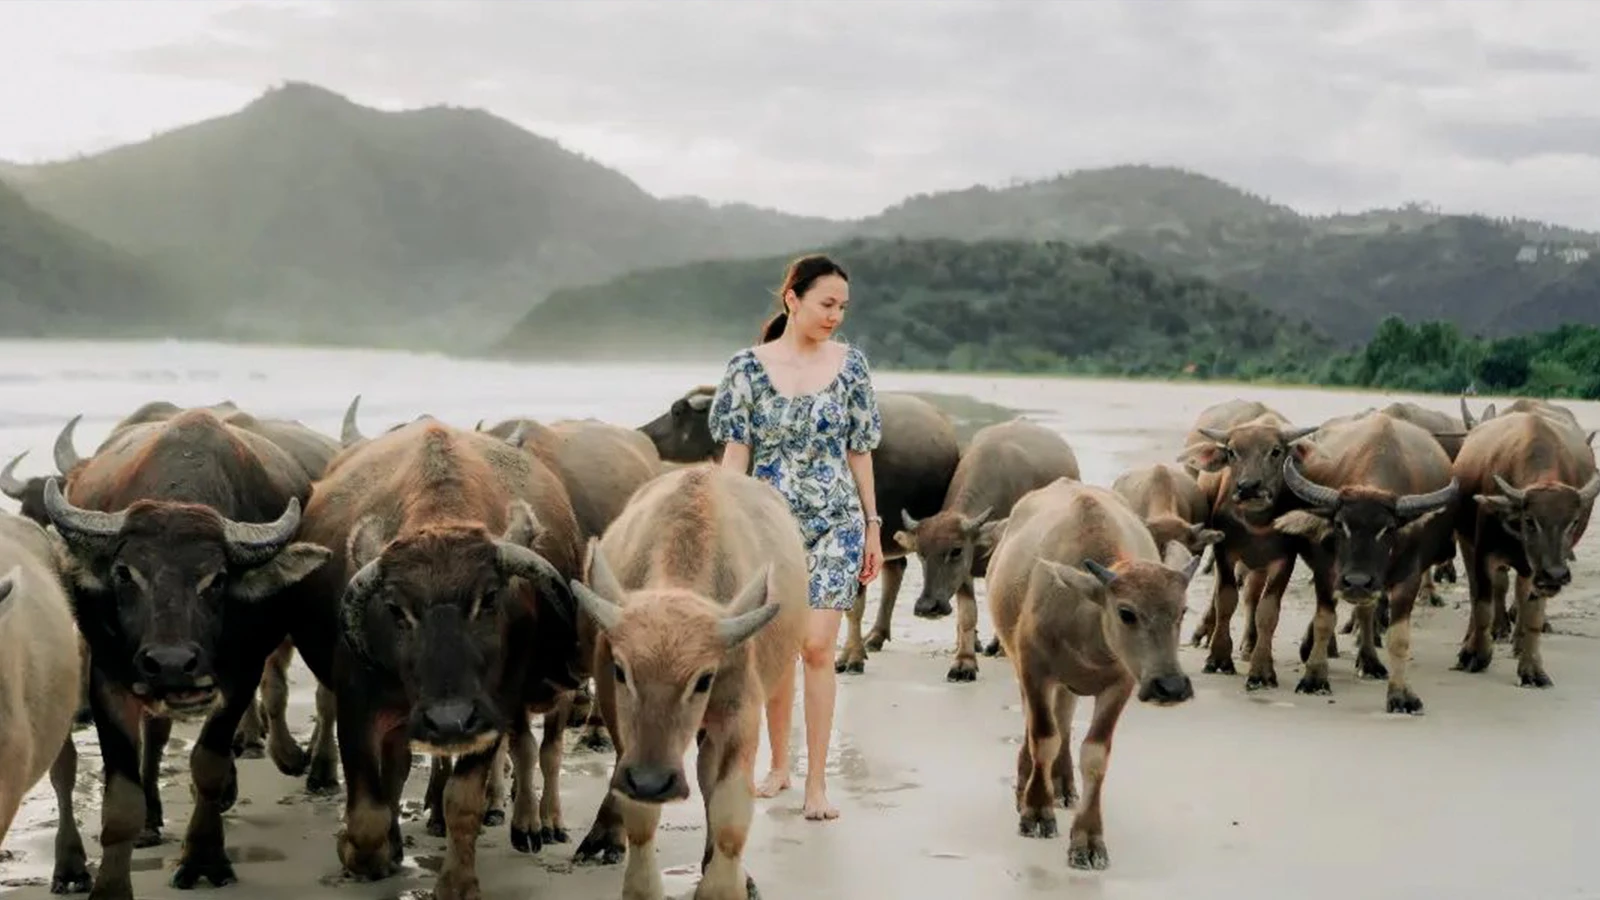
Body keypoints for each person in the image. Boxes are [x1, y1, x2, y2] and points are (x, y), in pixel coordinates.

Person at [707, 252, 884, 821]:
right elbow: (737, 452)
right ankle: (778, 767)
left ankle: (816, 785)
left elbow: (860, 449)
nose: (836, 315)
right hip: (768, 525)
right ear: (793, 299)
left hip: (837, 520)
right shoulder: (747, 368)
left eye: (843, 307)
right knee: (776, 651)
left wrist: (873, 526)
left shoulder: (851, 365)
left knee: (815, 646)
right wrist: (723, 524)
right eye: (827, 304)